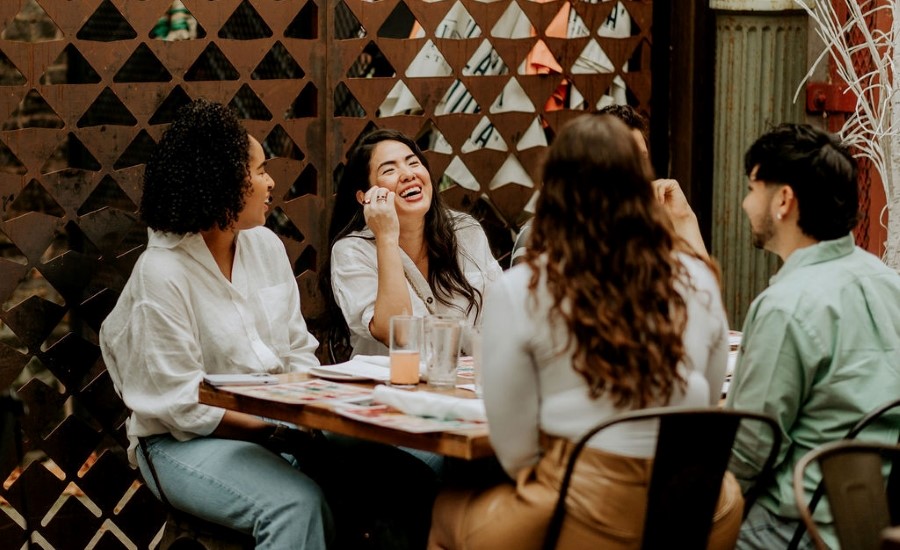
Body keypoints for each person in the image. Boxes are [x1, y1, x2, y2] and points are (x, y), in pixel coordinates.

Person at [428, 114, 741, 549]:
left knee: (445, 512)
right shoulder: (695, 275)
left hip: (586, 506)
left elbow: (514, 447)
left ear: (554, 193)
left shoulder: (524, 288)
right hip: (693, 506)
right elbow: (703, 407)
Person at [99, 99, 332, 549]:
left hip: (277, 423)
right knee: (294, 506)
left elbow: (297, 350)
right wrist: (276, 429)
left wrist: (307, 414)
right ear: (222, 183)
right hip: (179, 442)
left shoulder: (266, 247)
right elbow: (181, 404)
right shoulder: (162, 272)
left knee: (384, 472)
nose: (270, 182)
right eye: (261, 170)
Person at [725, 123, 900, 549]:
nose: (747, 203)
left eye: (752, 187)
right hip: (873, 521)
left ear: (783, 199)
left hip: (795, 527)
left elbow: (751, 451)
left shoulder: (785, 305)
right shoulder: (889, 284)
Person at [323, 128, 502, 358]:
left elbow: (500, 317)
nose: (408, 174)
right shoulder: (352, 251)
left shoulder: (465, 231)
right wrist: (386, 237)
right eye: (389, 169)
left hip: (465, 384)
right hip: (391, 387)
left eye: (413, 163)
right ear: (365, 197)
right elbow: (395, 334)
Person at [510, 104, 707, 268]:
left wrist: (684, 218)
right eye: (624, 161)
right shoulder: (542, 235)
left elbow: (704, 303)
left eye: (641, 161)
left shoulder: (651, 234)